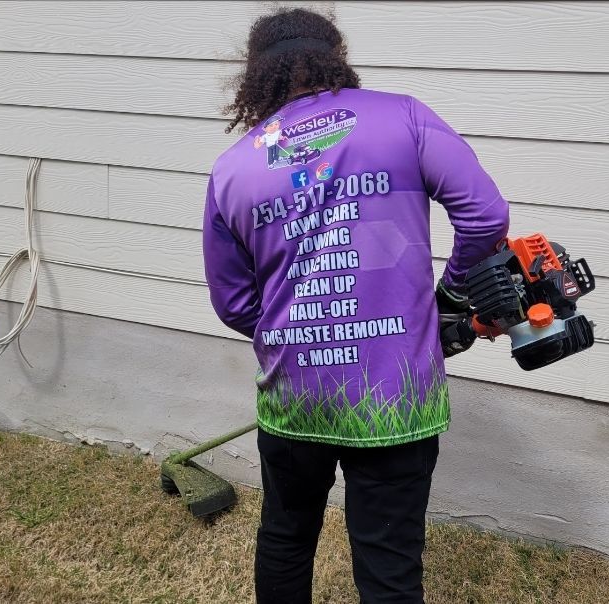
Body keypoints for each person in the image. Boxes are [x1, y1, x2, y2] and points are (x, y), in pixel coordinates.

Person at [202, 8, 509, 604]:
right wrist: (449, 296)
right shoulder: (403, 117)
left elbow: (234, 302)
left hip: (294, 397)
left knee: (286, 536)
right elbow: (485, 217)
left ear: (253, 74)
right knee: (389, 563)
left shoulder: (233, 168)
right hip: (397, 395)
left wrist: (304, 325)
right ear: (335, 55)